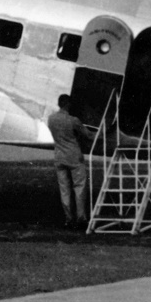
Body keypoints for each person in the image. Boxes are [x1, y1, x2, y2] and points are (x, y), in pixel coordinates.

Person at [48, 94, 94, 229]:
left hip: (59, 156)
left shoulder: (51, 119)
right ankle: (81, 218)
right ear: (68, 104)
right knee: (79, 187)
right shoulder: (73, 120)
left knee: (64, 190)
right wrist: (102, 133)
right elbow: (88, 135)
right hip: (74, 157)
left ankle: (68, 219)